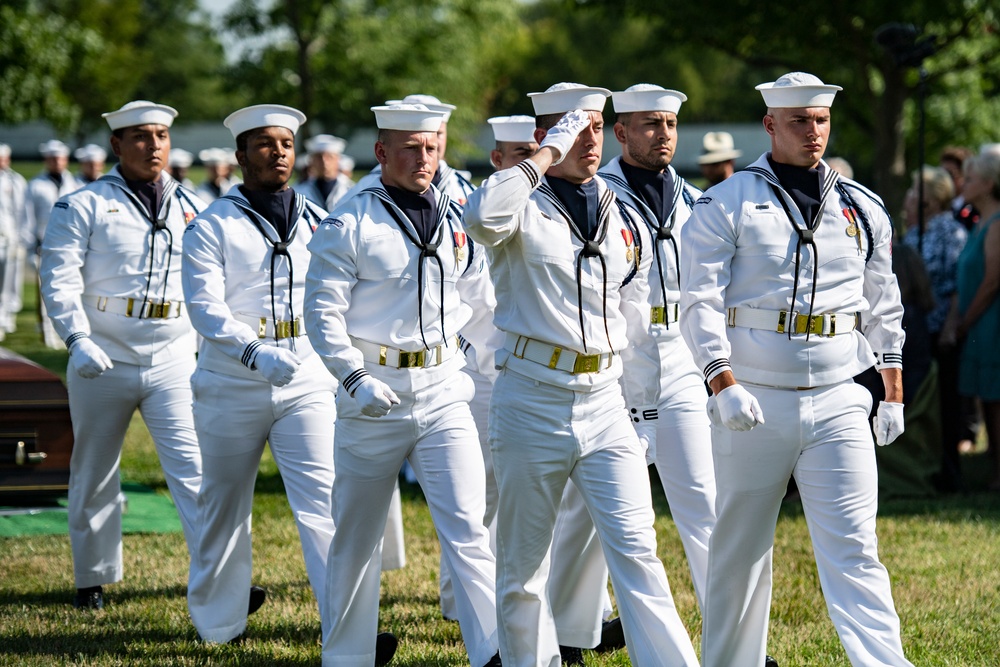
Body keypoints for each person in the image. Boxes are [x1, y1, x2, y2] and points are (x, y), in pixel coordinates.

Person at [680, 72, 914, 667]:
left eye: (820, 120)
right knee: (740, 548)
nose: (813, 132)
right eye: (798, 121)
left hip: (841, 395)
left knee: (856, 545)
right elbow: (698, 300)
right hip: (754, 396)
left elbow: (884, 302)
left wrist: (892, 393)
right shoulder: (725, 201)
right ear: (769, 126)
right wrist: (720, 380)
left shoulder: (862, 205)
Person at [464, 82, 699, 667]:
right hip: (531, 398)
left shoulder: (624, 211)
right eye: (578, 129)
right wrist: (543, 155)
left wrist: (641, 406)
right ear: (548, 135)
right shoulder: (521, 202)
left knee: (638, 552)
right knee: (522, 566)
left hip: (605, 401)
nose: (590, 140)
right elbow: (480, 217)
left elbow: (635, 315)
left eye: (597, 127)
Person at [305, 103, 500, 667]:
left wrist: (478, 356)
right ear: (382, 152)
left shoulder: (457, 214)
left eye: (433, 146)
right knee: (357, 536)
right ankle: (347, 654)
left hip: (443, 392)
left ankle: (492, 651)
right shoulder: (350, 221)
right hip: (374, 394)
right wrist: (353, 376)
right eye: (411, 148)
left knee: (468, 526)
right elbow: (322, 314)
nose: (424, 158)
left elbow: (479, 300)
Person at [38, 101, 205, 611]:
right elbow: (58, 277)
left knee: (196, 469)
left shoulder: (194, 205)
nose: (153, 145)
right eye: (140, 136)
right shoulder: (83, 204)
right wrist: (76, 338)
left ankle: (219, 573)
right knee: (94, 469)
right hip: (102, 353)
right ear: (117, 145)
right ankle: (92, 578)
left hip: (174, 354)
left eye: (160, 136)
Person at [182, 104, 337, 643]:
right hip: (232, 382)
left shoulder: (320, 221)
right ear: (240, 155)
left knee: (324, 503)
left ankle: (343, 625)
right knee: (224, 506)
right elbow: (204, 307)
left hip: (306, 379)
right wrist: (252, 352)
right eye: (265, 144)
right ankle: (219, 624)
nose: (278, 153)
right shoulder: (210, 224)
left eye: (286, 144)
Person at [599, 83, 716, 608]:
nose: (662, 134)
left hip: (681, 356)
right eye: (650, 124)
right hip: (617, 361)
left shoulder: (695, 198)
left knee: (703, 502)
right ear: (621, 132)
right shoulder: (594, 194)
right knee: (598, 512)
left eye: (669, 124)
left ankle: (735, 642)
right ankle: (579, 623)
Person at [901, 166, 971, 490]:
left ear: (930, 199)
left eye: (915, 192)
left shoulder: (950, 231)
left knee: (947, 399)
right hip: (916, 330)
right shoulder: (915, 232)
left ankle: (951, 468)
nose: (909, 198)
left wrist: (950, 325)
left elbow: (959, 283)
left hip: (941, 328)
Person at [945, 152, 1000, 491]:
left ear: (989, 184)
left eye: (972, 178)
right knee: (988, 399)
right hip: (980, 323)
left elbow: (993, 279)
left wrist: (965, 321)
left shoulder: (997, 224)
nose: (964, 184)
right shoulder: (981, 221)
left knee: (995, 400)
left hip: (990, 322)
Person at [342, 94, 475, 206]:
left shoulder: (464, 187)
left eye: (438, 134)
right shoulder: (364, 190)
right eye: (411, 146)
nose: (423, 156)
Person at [28, 139, 82, 348]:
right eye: (52, 158)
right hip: (44, 246)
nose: (56, 161)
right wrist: (29, 247)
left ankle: (71, 333)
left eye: (59, 158)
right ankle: (49, 335)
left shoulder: (75, 184)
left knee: (73, 290)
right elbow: (28, 218)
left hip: (71, 245)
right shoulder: (35, 184)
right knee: (47, 292)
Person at [0, 143, 28, 336]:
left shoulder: (15, 180)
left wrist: (19, 237)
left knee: (9, 279)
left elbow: (21, 211)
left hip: (8, 236)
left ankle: (6, 315)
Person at [295, 133, 355, 210]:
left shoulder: (351, 190)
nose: (324, 162)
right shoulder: (298, 191)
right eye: (319, 157)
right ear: (311, 161)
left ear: (338, 160)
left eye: (329, 157)